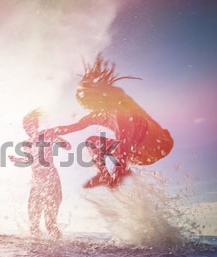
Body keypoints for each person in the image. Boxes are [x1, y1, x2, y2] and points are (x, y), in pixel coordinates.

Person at [67, 54, 174, 188]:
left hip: (159, 142)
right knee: (92, 141)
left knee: (124, 118)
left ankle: (121, 167)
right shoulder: (99, 114)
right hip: (138, 155)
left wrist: (120, 165)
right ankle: (104, 174)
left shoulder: (118, 99)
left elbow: (125, 128)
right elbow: (73, 127)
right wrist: (50, 133)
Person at [8, 109, 72, 239]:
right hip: (36, 183)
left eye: (29, 126)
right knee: (33, 223)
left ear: (36, 126)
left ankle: (57, 250)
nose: (27, 129)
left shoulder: (46, 135)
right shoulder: (25, 144)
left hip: (51, 180)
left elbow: (68, 146)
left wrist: (57, 139)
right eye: (25, 127)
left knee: (50, 224)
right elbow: (29, 160)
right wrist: (16, 159)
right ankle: (36, 253)